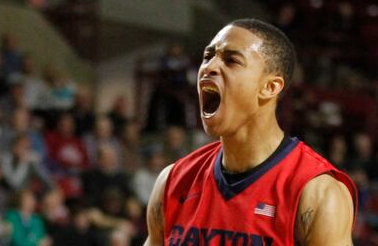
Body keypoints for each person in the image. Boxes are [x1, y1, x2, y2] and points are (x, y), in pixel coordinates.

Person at [143, 19, 357, 245]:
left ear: (270, 87)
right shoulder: (173, 181)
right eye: (208, 57)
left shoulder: (317, 192)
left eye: (231, 60)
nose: (209, 67)